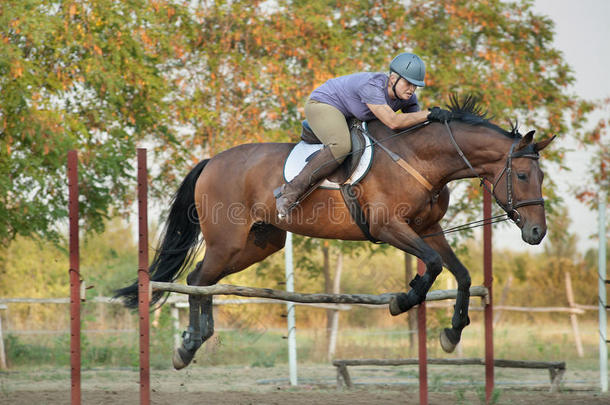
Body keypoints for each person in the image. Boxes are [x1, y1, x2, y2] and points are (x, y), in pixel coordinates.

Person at [274, 52, 451, 219]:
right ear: (392, 79)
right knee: (341, 146)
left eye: (415, 85)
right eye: (408, 83)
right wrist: (429, 114)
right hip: (323, 104)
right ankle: (289, 193)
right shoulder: (372, 86)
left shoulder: (407, 97)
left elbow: (413, 130)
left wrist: (437, 124)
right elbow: (393, 122)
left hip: (348, 114)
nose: (412, 89)